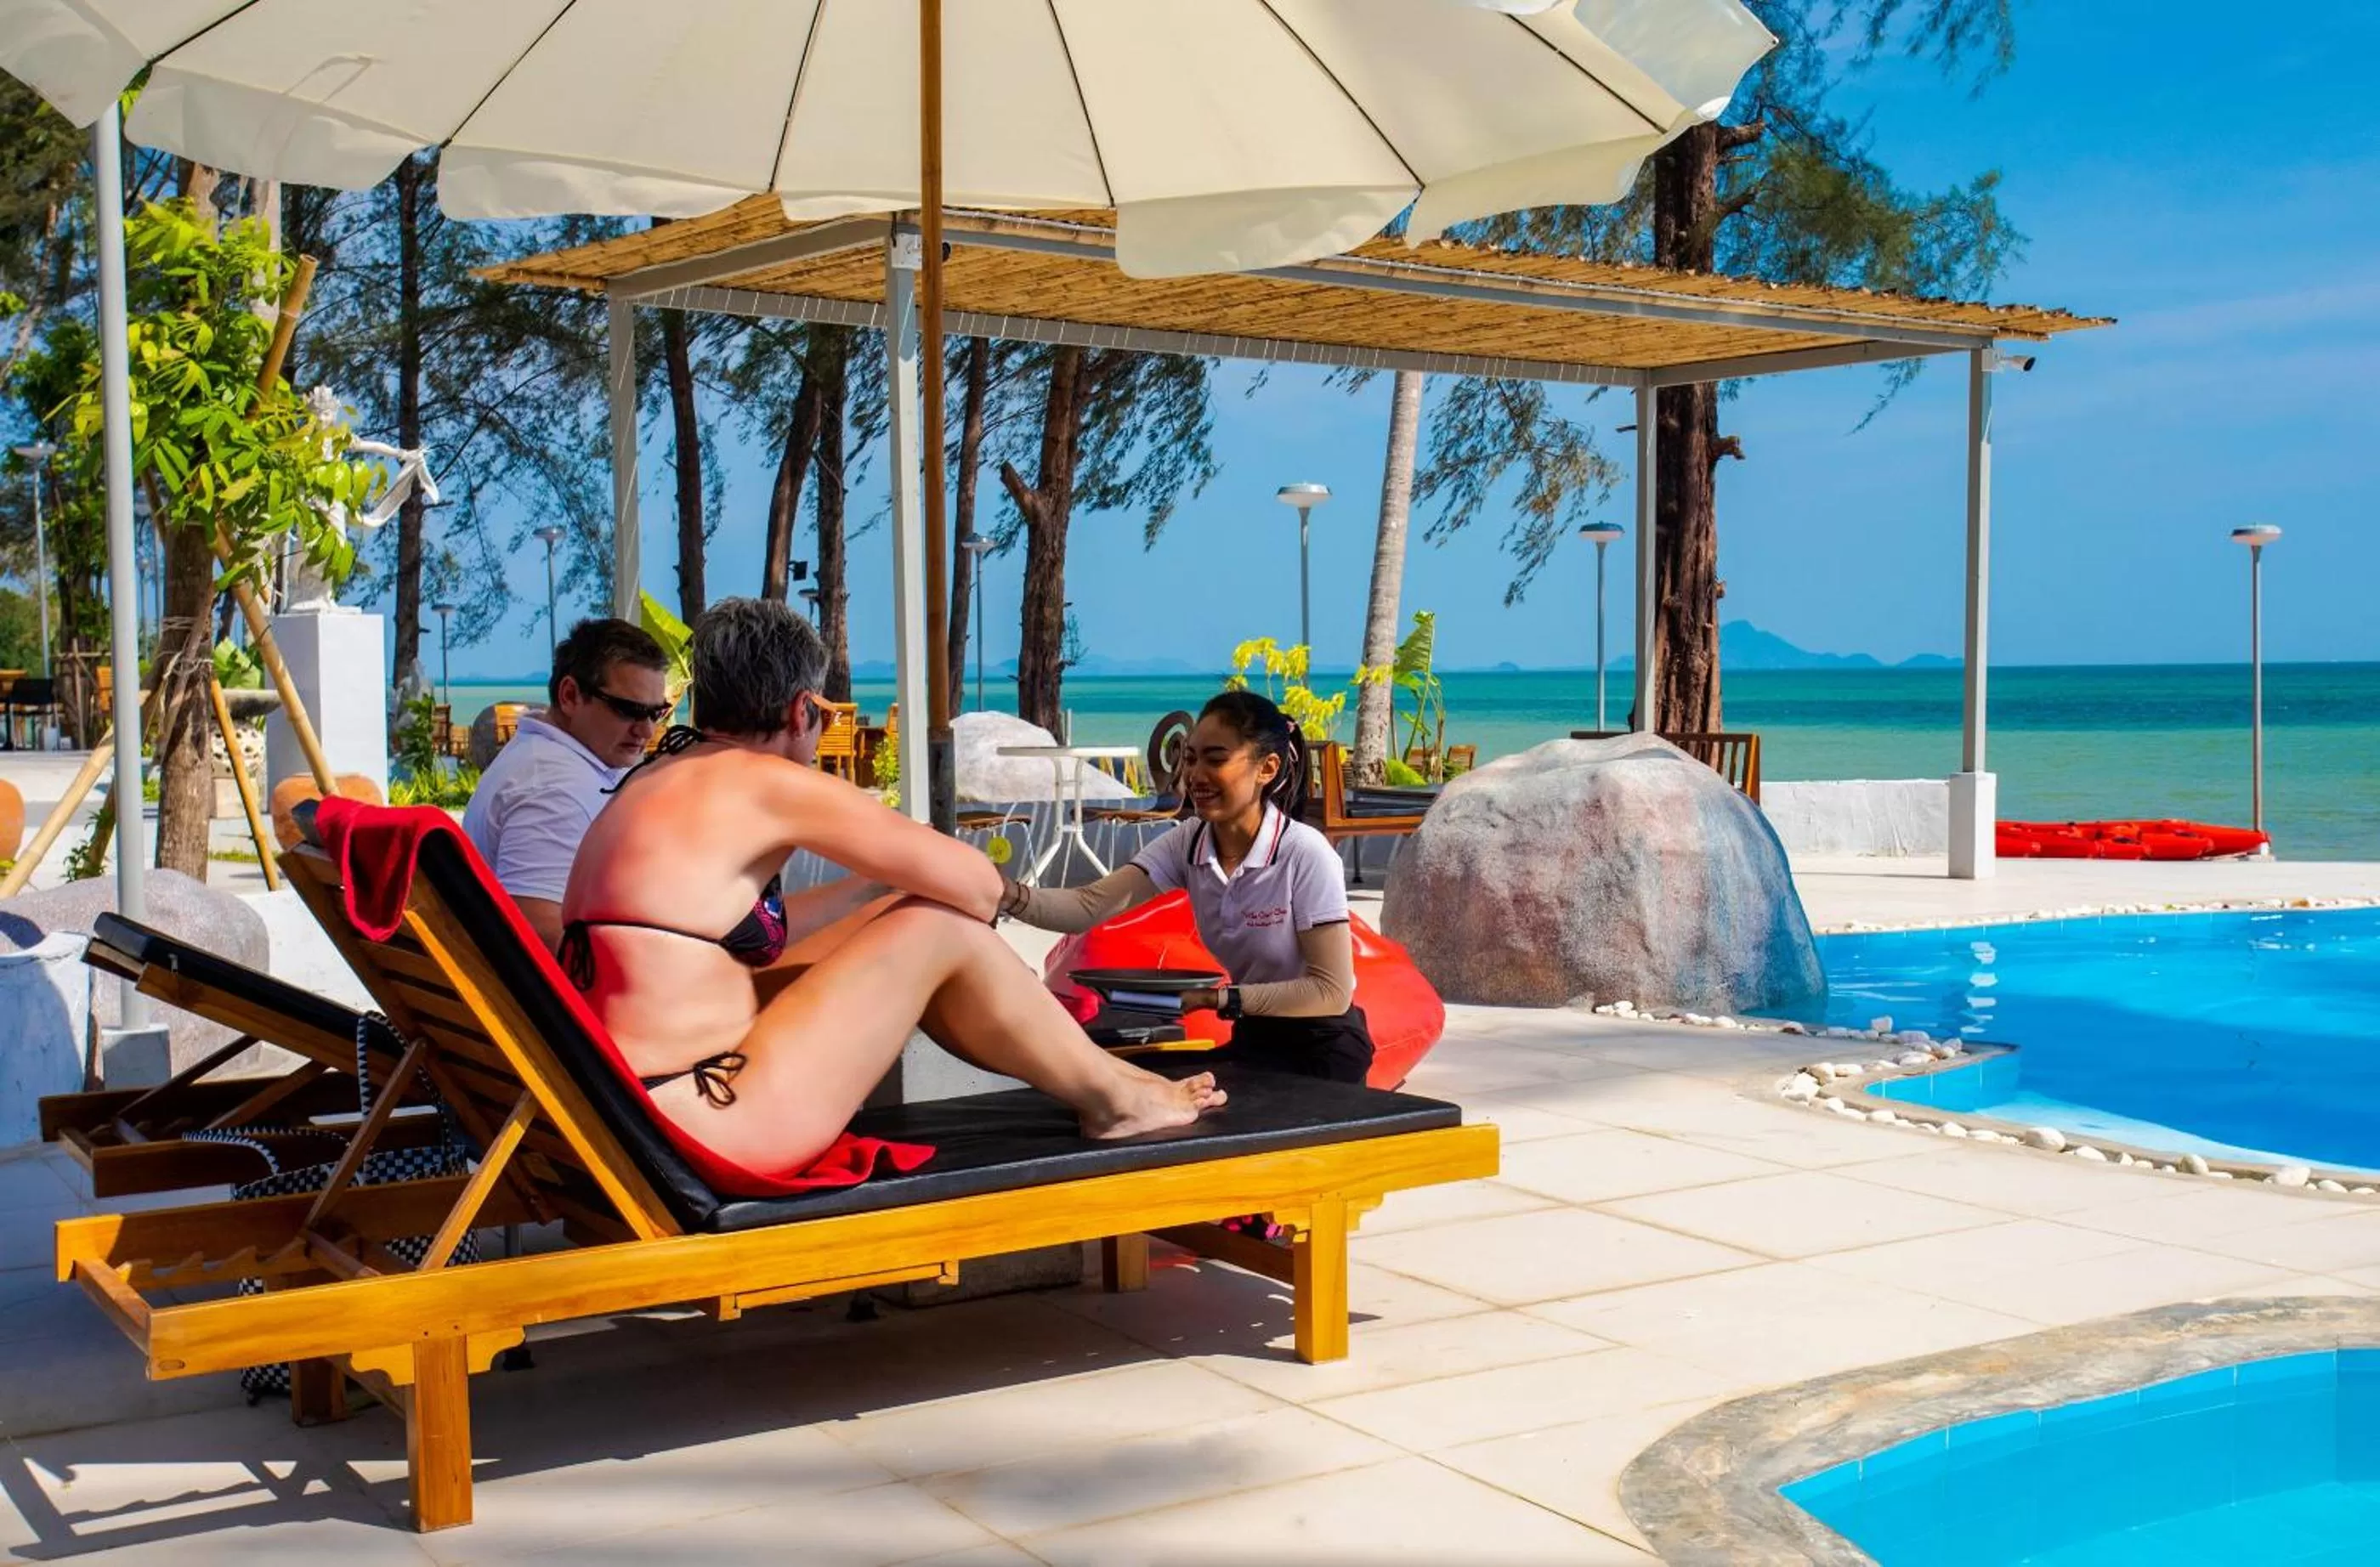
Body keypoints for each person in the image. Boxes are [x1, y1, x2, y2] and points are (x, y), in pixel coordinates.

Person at [559, 597, 1223, 1178]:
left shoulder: (654, 780)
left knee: (903, 911)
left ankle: (1105, 1081)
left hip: (629, 1105)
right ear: (801, 709)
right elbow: (970, 883)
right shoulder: (766, 782)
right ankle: (1113, 1097)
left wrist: (872, 887)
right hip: (705, 1118)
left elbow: (733, 930)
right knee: (939, 924)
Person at [1000, 691, 1374, 1086]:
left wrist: (1219, 1000)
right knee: (1107, 1083)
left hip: (1322, 1051)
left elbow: (1330, 991)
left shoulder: (1304, 852)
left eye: (1216, 759)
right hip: (1255, 1037)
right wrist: (1005, 893)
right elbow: (1088, 905)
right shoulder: (1190, 841)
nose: (1195, 776)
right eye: (1190, 758)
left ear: (1267, 769)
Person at [461, 617, 672, 952]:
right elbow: (542, 936)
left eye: (655, 713)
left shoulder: (546, 758)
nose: (646, 731)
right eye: (628, 710)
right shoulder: (554, 789)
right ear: (571, 695)